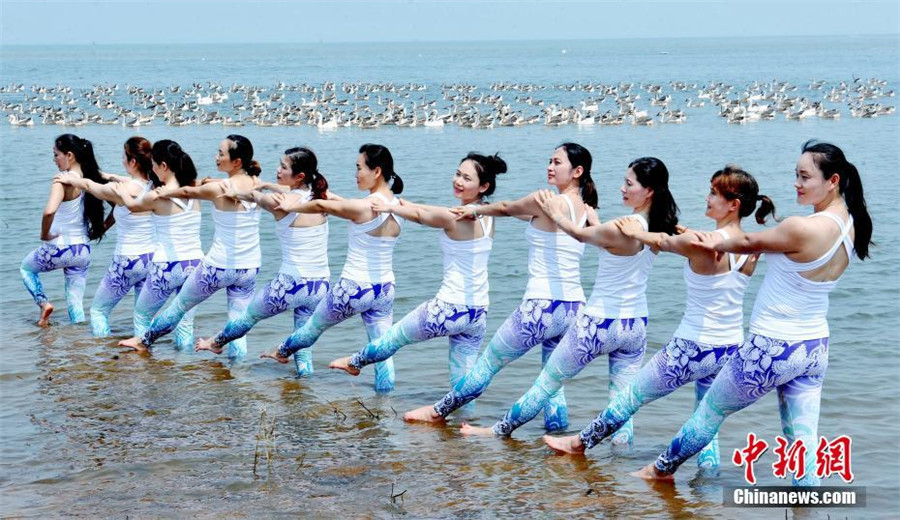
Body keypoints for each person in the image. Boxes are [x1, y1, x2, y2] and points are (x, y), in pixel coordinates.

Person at [636, 141, 872, 486]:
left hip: (772, 346)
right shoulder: (852, 225)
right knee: (803, 443)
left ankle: (657, 473)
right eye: (796, 175)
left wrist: (693, 239)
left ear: (832, 180)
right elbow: (751, 240)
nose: (797, 183)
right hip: (814, 347)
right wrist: (698, 234)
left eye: (805, 176)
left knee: (710, 413)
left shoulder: (802, 227)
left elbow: (744, 243)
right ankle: (807, 505)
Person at [543, 166, 774, 475]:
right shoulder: (749, 246)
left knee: (631, 397)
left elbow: (663, 242)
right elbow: (677, 237)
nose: (706, 198)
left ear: (733, 204)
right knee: (707, 419)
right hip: (729, 346)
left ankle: (581, 444)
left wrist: (635, 231)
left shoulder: (700, 241)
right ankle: (707, 478)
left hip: (691, 346)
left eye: (713, 194)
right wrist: (680, 228)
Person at [458, 157, 679, 443]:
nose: (622, 188)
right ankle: (619, 464)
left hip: (599, 322)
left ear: (648, 191)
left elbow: (579, 234)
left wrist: (554, 212)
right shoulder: (652, 227)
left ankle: (496, 431)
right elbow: (610, 243)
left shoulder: (625, 225)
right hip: (635, 324)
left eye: (629, 183)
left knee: (547, 383)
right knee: (621, 402)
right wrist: (597, 221)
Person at [402, 143, 598, 428]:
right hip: (572, 308)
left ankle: (438, 413)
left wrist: (477, 210)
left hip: (540, 307)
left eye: (557, 162)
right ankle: (556, 436)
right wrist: (482, 210)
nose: (550, 166)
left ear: (577, 171)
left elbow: (506, 207)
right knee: (552, 384)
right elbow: (516, 212)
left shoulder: (546, 201)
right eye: (549, 160)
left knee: (487, 365)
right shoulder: (582, 208)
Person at [328, 152, 508, 398]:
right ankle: (464, 428)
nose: (458, 181)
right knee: (461, 381)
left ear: (483, 186)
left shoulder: (454, 217)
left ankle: (356, 362)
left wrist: (392, 206)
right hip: (477, 313)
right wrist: (401, 204)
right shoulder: (487, 213)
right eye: (457, 174)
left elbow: (423, 216)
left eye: (466, 178)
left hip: (447, 309)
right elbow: (430, 209)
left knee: (393, 338)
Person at [259, 144, 404, 392]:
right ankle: (385, 406)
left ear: (376, 171)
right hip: (385, 289)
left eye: (359, 168)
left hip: (354, 287)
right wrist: (271, 186)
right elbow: (334, 199)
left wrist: (293, 207)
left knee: (311, 329)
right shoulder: (396, 205)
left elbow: (322, 205)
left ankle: (281, 350)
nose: (356, 173)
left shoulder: (363, 205)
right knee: (381, 350)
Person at [118, 135, 262, 357]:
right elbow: (198, 187)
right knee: (237, 320)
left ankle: (144, 341)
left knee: (178, 307)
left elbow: (187, 191)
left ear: (237, 162)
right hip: (250, 266)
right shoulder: (257, 185)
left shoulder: (219, 188)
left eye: (221, 153)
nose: (216, 156)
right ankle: (238, 372)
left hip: (218, 266)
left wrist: (166, 191)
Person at [195, 147, 332, 376]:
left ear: (299, 176)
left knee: (248, 317)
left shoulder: (280, 202)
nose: (278, 170)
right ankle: (304, 380)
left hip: (291, 283)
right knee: (301, 335)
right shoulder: (319, 198)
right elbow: (276, 190)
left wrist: (238, 192)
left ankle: (216, 343)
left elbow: (253, 196)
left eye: (283, 167)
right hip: (320, 283)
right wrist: (267, 184)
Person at [54, 137, 157, 337]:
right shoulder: (153, 186)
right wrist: (105, 174)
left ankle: (104, 359)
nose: (122, 160)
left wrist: (72, 179)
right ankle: (145, 355)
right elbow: (121, 179)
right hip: (150, 259)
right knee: (143, 315)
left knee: (98, 311)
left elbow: (92, 187)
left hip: (127, 260)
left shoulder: (121, 191)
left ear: (133, 162)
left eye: (124, 157)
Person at [114, 140, 204, 349]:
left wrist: (121, 191)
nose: (152, 169)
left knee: (143, 313)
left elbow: (132, 206)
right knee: (184, 321)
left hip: (168, 265)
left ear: (164, 166)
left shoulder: (157, 195)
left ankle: (142, 358)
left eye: (154, 164)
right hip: (196, 263)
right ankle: (186, 364)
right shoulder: (193, 190)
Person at [21, 134, 108, 327]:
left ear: (70, 155)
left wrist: (44, 235)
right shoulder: (91, 178)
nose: (54, 160)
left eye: (56, 155)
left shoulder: (62, 180)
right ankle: (78, 342)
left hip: (59, 247)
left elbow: (49, 211)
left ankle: (43, 304)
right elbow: (119, 206)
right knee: (75, 301)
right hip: (82, 250)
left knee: (26, 268)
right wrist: (101, 229)